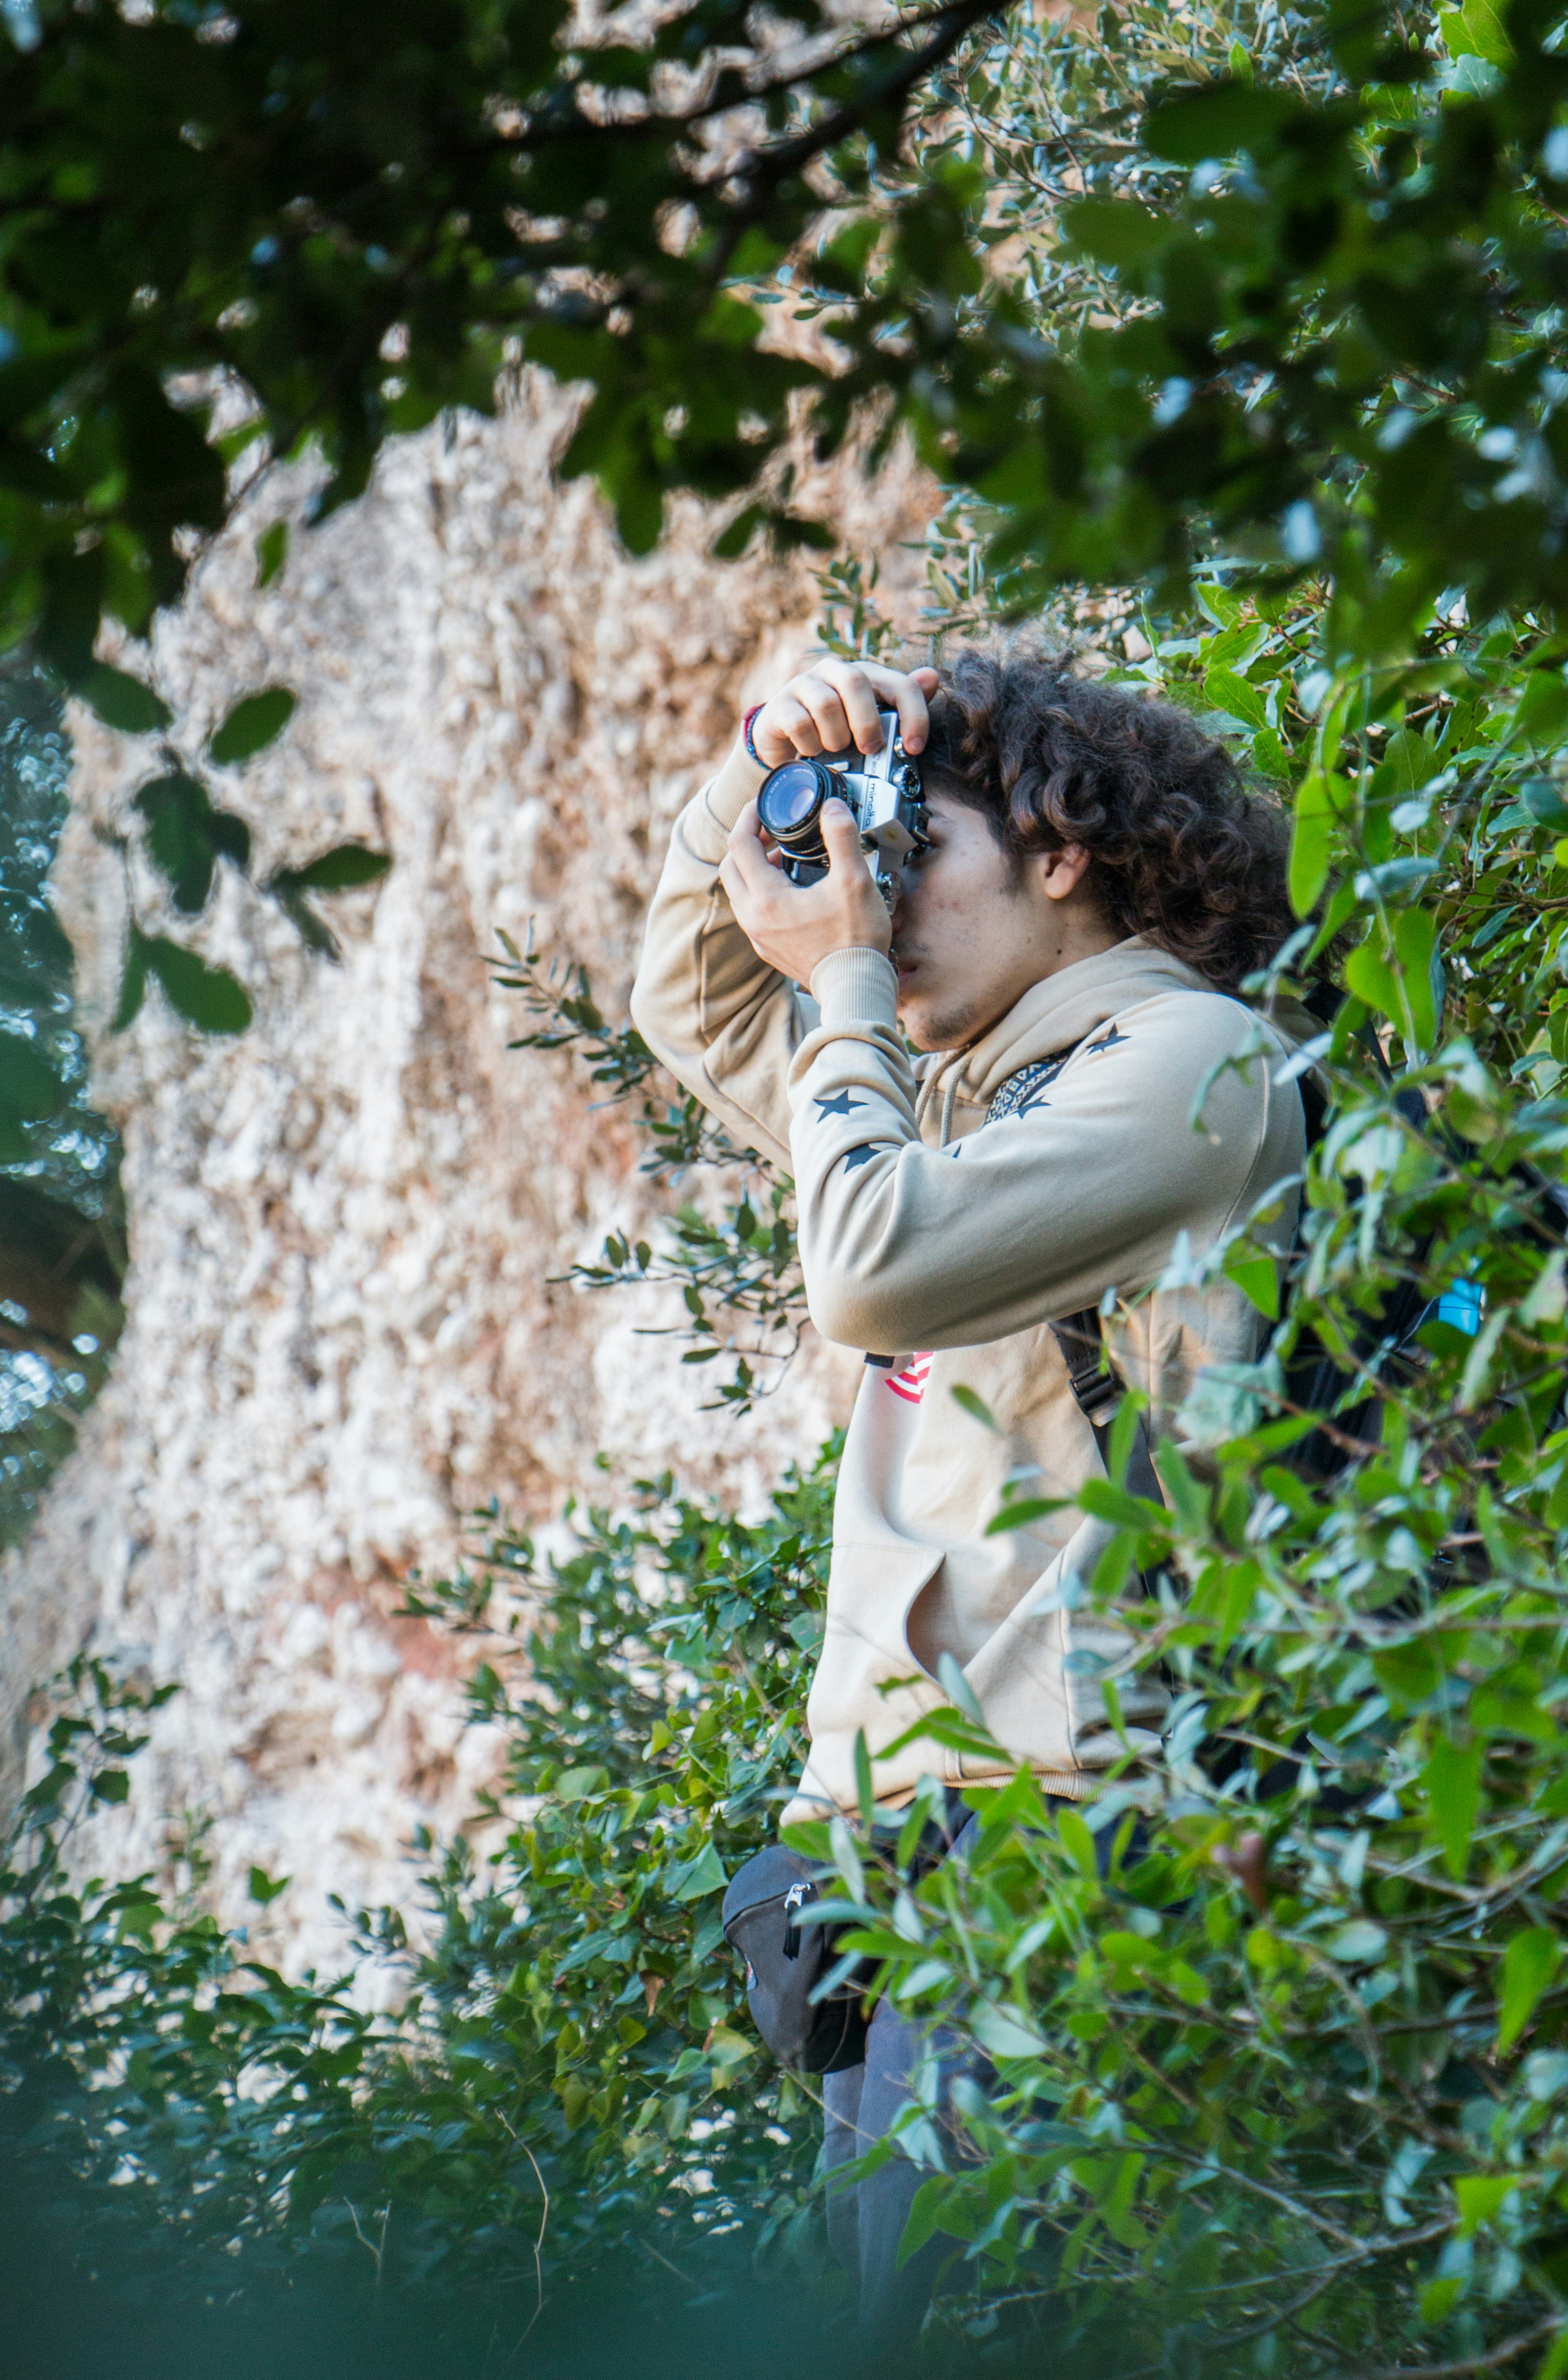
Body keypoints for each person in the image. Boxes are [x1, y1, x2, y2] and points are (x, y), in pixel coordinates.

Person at [629, 644, 1312, 2337]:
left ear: (1062, 853)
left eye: (909, 847)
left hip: (1061, 1854)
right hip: (903, 1886)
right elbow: (692, 994)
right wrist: (767, 754)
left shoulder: (1193, 1064)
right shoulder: (962, 1094)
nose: (867, 892)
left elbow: (872, 1268)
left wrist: (851, 981)